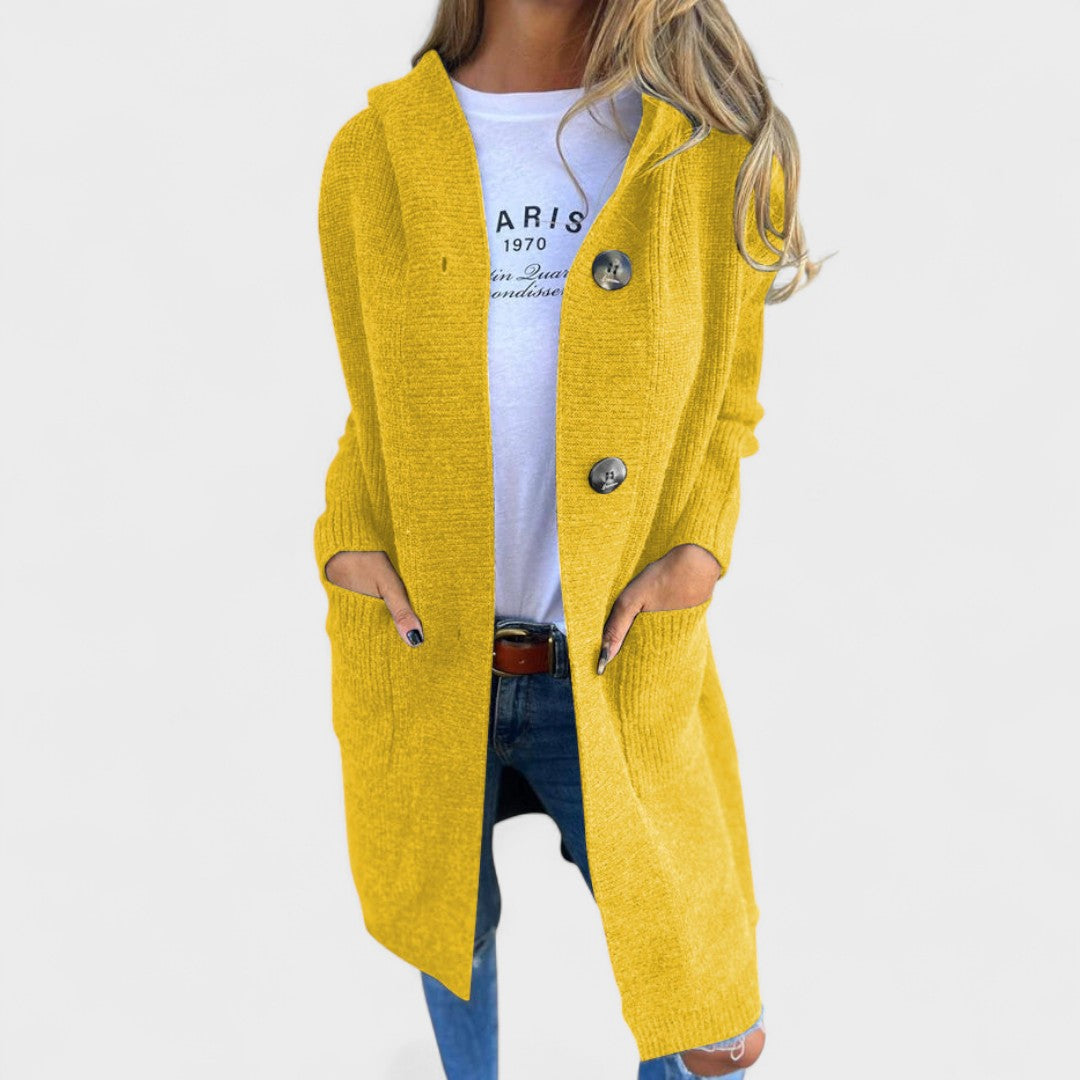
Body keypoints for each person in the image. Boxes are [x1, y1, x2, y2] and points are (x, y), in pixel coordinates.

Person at [313, 1, 825, 1076]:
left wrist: (702, 547)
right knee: (450, 929)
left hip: (614, 661)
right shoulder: (374, 156)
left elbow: (729, 405)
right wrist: (347, 538)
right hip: (428, 653)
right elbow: (369, 405)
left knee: (712, 1022)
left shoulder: (709, 153)